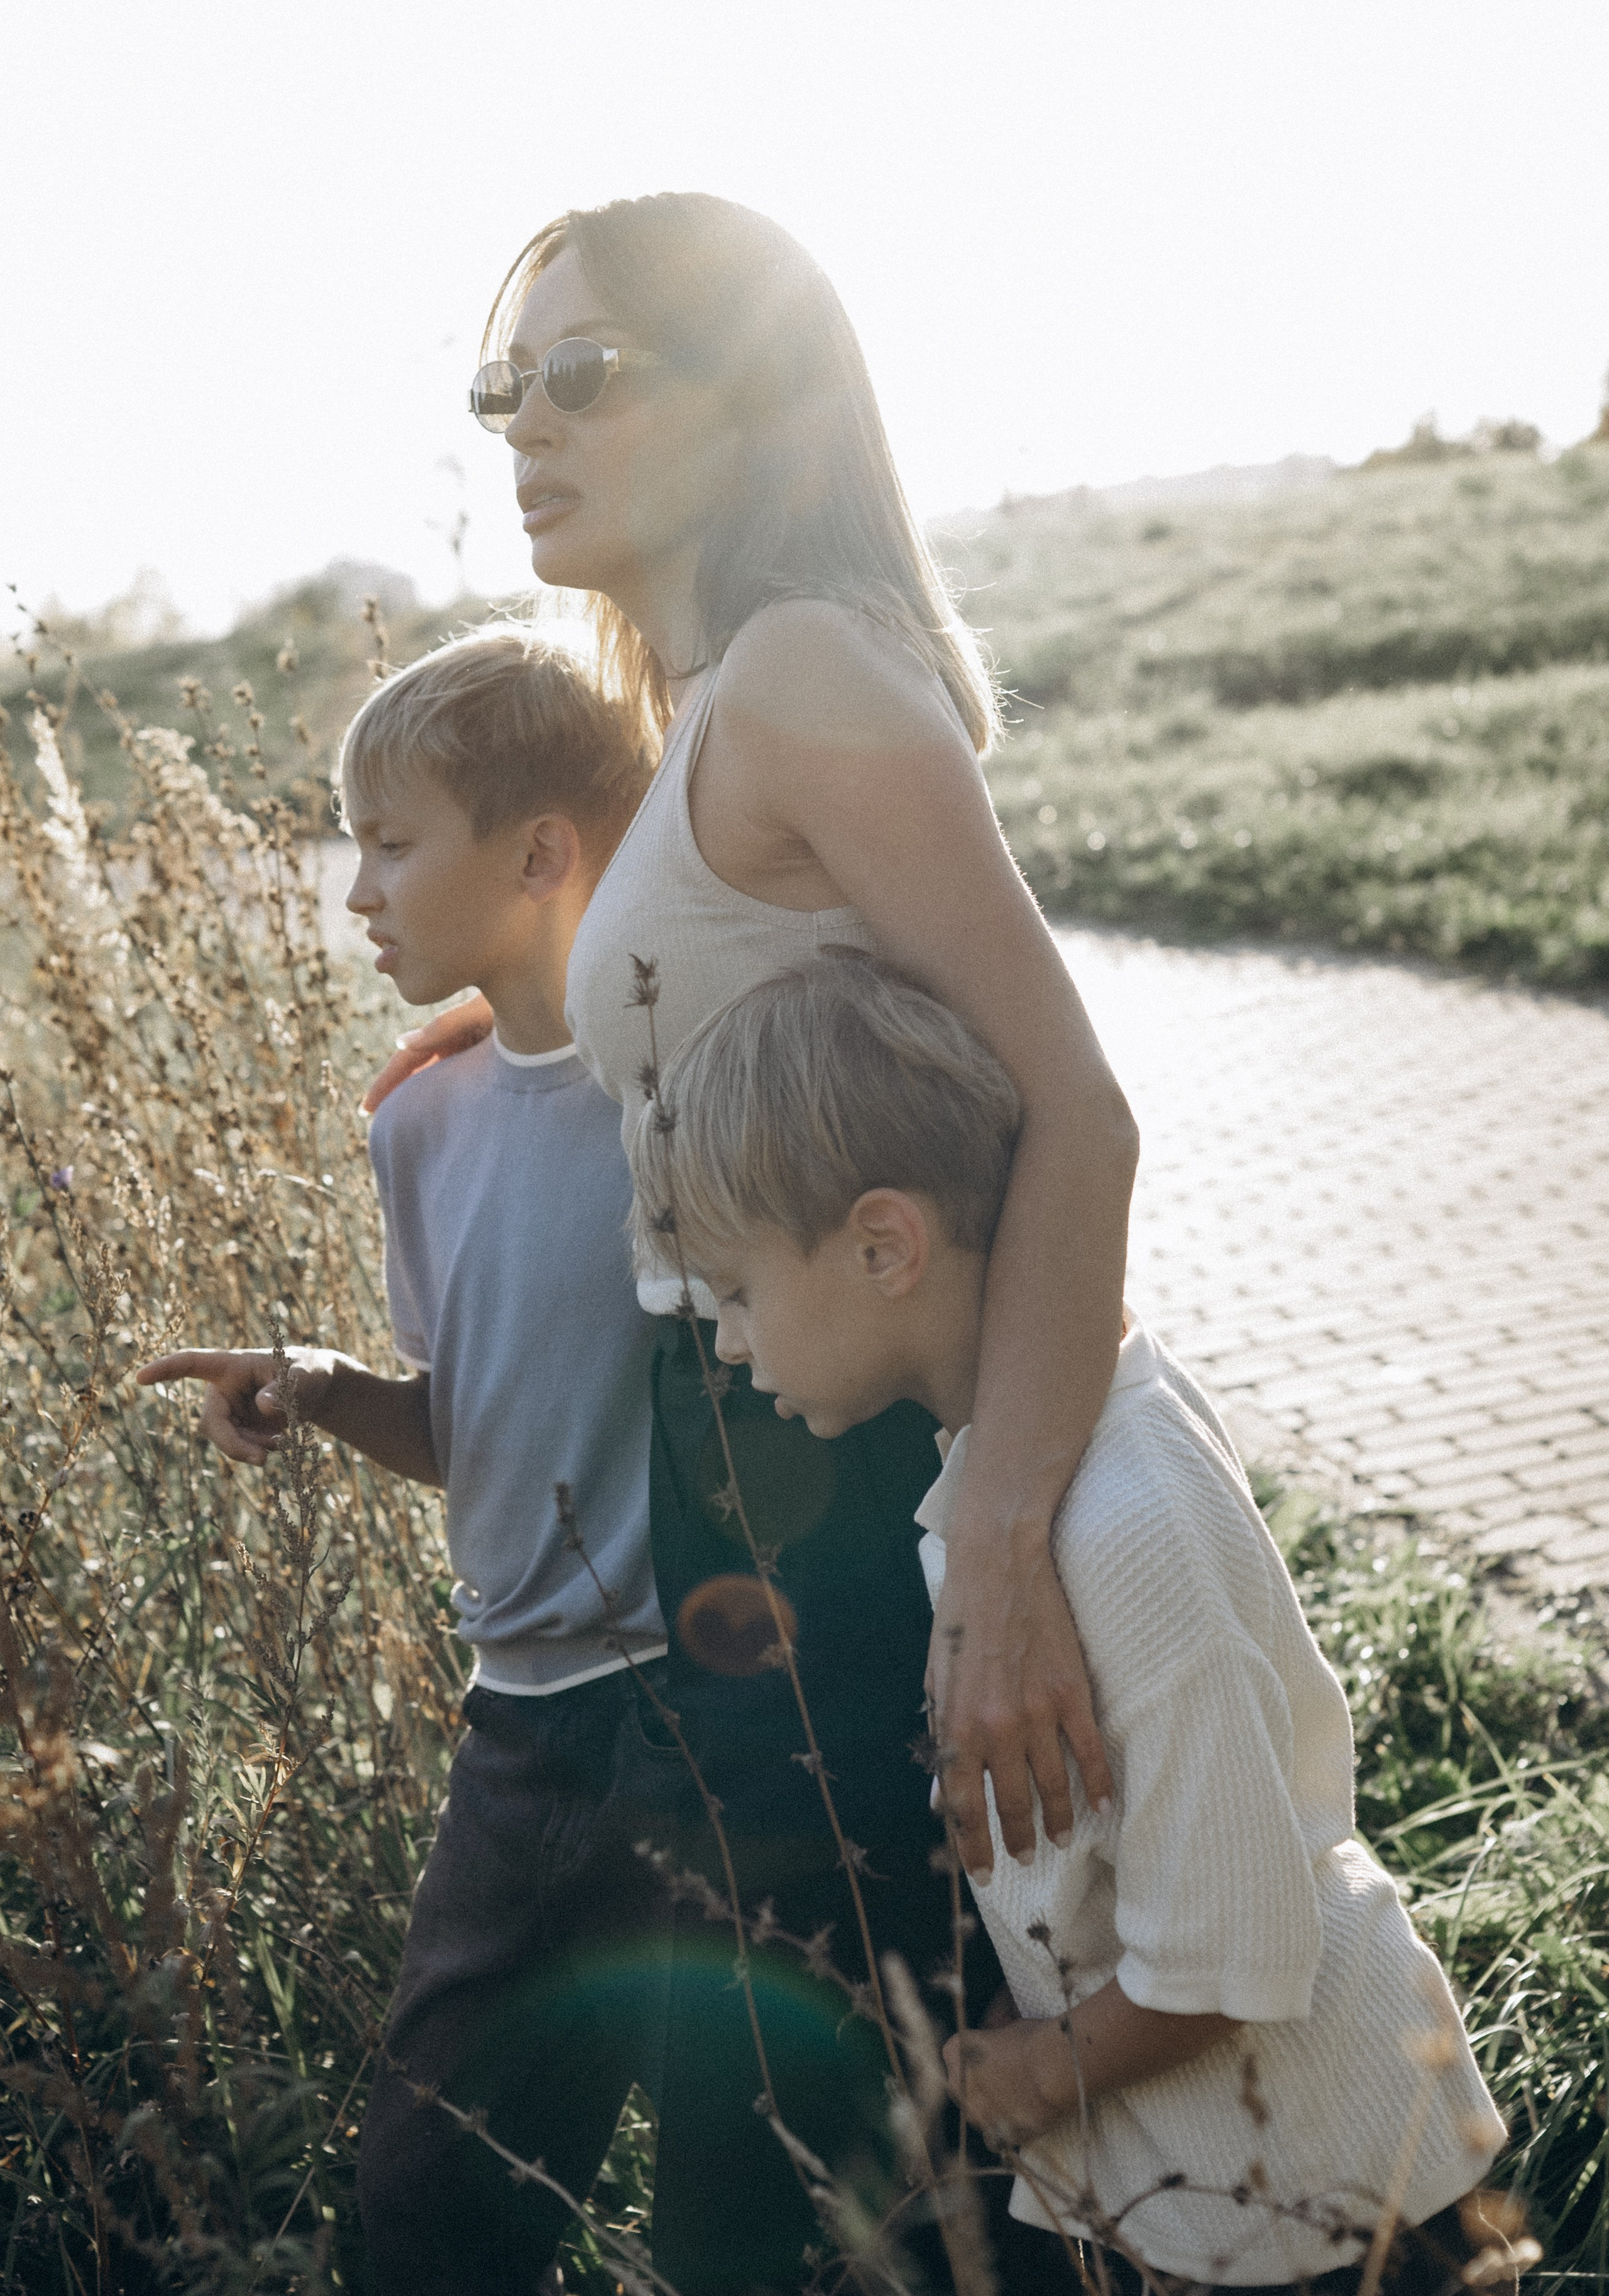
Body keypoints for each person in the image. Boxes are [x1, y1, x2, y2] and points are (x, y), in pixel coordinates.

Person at [368, 189, 1137, 2291]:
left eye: (590, 377)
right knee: (806, 2154)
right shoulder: (703, 689)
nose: (528, 425)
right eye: (502, 386)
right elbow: (718, 987)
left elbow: (1077, 1107)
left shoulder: (800, 671)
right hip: (738, 1488)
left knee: (827, 2161)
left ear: (759, 399)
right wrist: (545, 1018)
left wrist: (994, 1542)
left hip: (862, 1515)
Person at [627, 946, 1512, 2296]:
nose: (728, 1348)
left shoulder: (1120, 1526)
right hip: (1208, 2180)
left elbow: (1233, 1939)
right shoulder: (1024, 1464)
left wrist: (1046, 2063)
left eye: (738, 1295)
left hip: (1318, 2198)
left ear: (882, 1246)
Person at [137, 629, 678, 2296]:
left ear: (539, 854)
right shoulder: (418, 1124)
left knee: (780, 2211)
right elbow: (469, 1428)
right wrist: (317, 1385)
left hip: (715, 1726)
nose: (354, 892)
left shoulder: (685, 1079)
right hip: (520, 1737)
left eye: (389, 843)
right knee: (429, 2214)